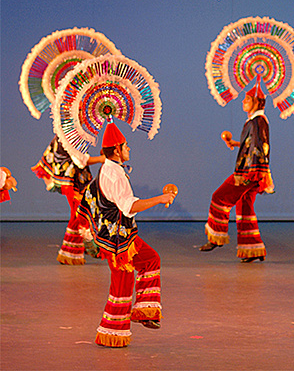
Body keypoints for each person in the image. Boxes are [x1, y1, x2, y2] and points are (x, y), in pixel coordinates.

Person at [77, 120, 177, 348]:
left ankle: (117, 329)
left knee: (124, 280)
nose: (129, 149)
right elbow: (128, 207)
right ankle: (140, 315)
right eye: (126, 145)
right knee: (145, 263)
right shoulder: (116, 175)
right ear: (116, 150)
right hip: (119, 240)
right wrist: (160, 199)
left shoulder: (108, 169)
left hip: (113, 237)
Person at [199, 78, 274, 262]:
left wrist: (254, 173)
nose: (243, 102)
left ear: (256, 102)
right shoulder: (256, 121)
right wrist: (237, 144)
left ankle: (216, 236)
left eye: (247, 99)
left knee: (219, 196)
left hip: (248, 173)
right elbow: (254, 145)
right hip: (254, 171)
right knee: (244, 208)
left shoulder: (257, 122)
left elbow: (259, 147)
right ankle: (253, 250)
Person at [32, 136, 105, 264]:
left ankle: (85, 246)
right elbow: (79, 159)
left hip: (76, 177)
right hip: (69, 179)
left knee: (85, 210)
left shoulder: (73, 130)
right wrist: (102, 159)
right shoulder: (68, 131)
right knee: (78, 212)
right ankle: (70, 252)